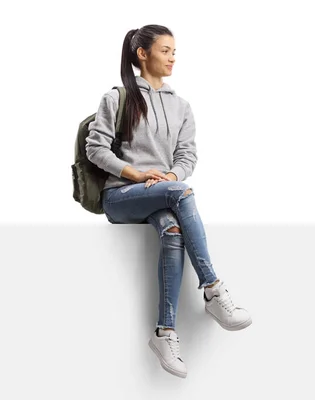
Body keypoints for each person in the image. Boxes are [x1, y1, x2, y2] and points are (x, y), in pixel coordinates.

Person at [86, 24, 252, 379]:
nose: (172, 57)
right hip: (121, 196)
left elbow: (187, 156)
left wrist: (171, 177)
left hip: (163, 195)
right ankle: (212, 288)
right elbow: (95, 149)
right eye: (165, 50)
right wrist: (138, 174)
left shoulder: (181, 106)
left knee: (173, 229)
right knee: (181, 194)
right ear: (142, 54)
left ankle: (165, 333)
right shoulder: (117, 97)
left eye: (174, 51)